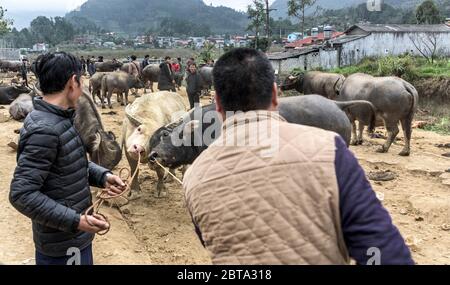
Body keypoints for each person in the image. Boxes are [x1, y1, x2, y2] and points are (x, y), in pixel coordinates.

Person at [183, 48, 414, 265]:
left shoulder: (194, 177)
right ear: (275, 95)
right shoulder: (330, 150)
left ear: (218, 105)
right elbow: (384, 251)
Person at [9, 52, 127, 266]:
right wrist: (77, 221)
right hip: (62, 245)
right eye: (81, 80)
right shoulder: (45, 130)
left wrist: (103, 176)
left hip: (72, 237)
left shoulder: (59, 119)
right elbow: (22, 194)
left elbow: (68, 163)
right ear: (73, 83)